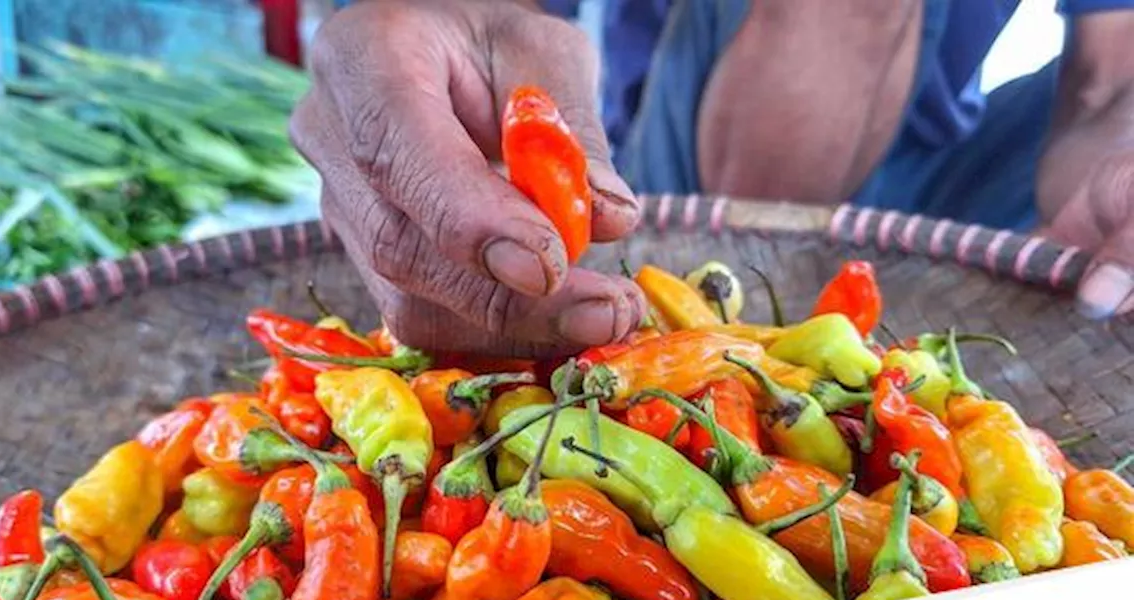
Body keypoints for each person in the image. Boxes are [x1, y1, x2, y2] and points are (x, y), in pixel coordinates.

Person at [291, 0, 1134, 357]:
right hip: (682, 157)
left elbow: (1108, 81)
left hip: (958, 160)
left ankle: (789, 351)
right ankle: (756, 335)